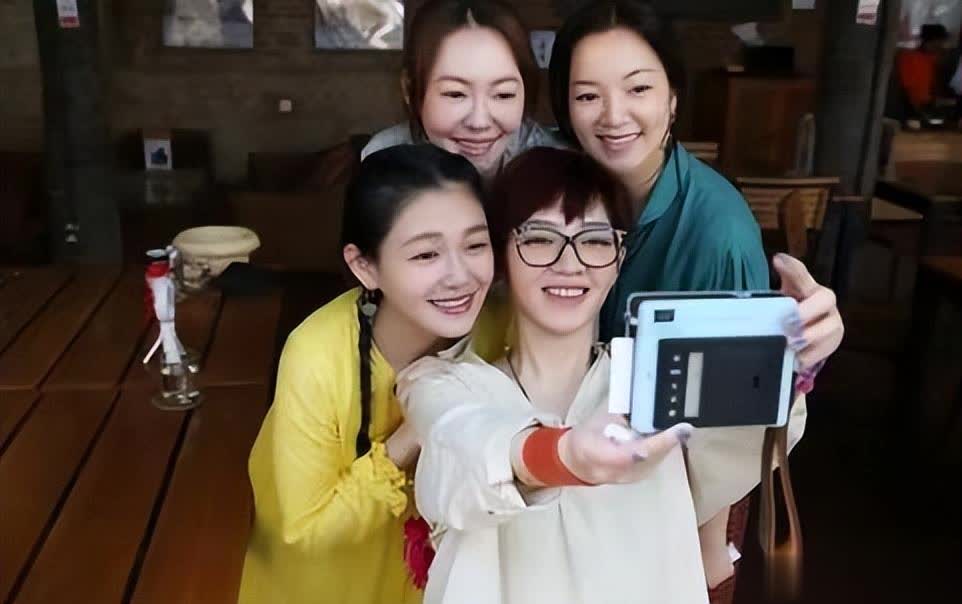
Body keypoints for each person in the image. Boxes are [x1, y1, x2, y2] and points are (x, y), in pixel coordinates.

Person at [396, 147, 809, 604]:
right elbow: (462, 449)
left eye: (595, 240)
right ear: (501, 255)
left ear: (619, 257)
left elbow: (753, 428)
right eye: (540, 238)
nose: (569, 263)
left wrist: (798, 354)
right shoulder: (444, 386)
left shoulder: (659, 380)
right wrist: (563, 456)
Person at [546, 0, 844, 593]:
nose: (613, 116)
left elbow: (723, 426)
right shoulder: (565, 193)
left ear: (673, 99)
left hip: (677, 500)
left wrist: (703, 551)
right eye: (587, 96)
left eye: (638, 89)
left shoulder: (716, 231)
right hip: (582, 477)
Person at [237, 144, 495, 604]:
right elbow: (307, 530)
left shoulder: (496, 329)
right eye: (426, 255)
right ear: (364, 266)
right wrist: (412, 433)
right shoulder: (316, 356)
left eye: (475, 245)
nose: (460, 276)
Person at [361, 0, 566, 181]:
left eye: (503, 94)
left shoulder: (558, 166)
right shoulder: (385, 161)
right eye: (455, 94)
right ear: (409, 89)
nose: (479, 123)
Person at [897, 23, 950, 117]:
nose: (942, 46)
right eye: (940, 42)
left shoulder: (934, 59)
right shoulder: (909, 58)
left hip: (930, 105)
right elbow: (909, 90)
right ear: (931, 41)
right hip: (916, 108)